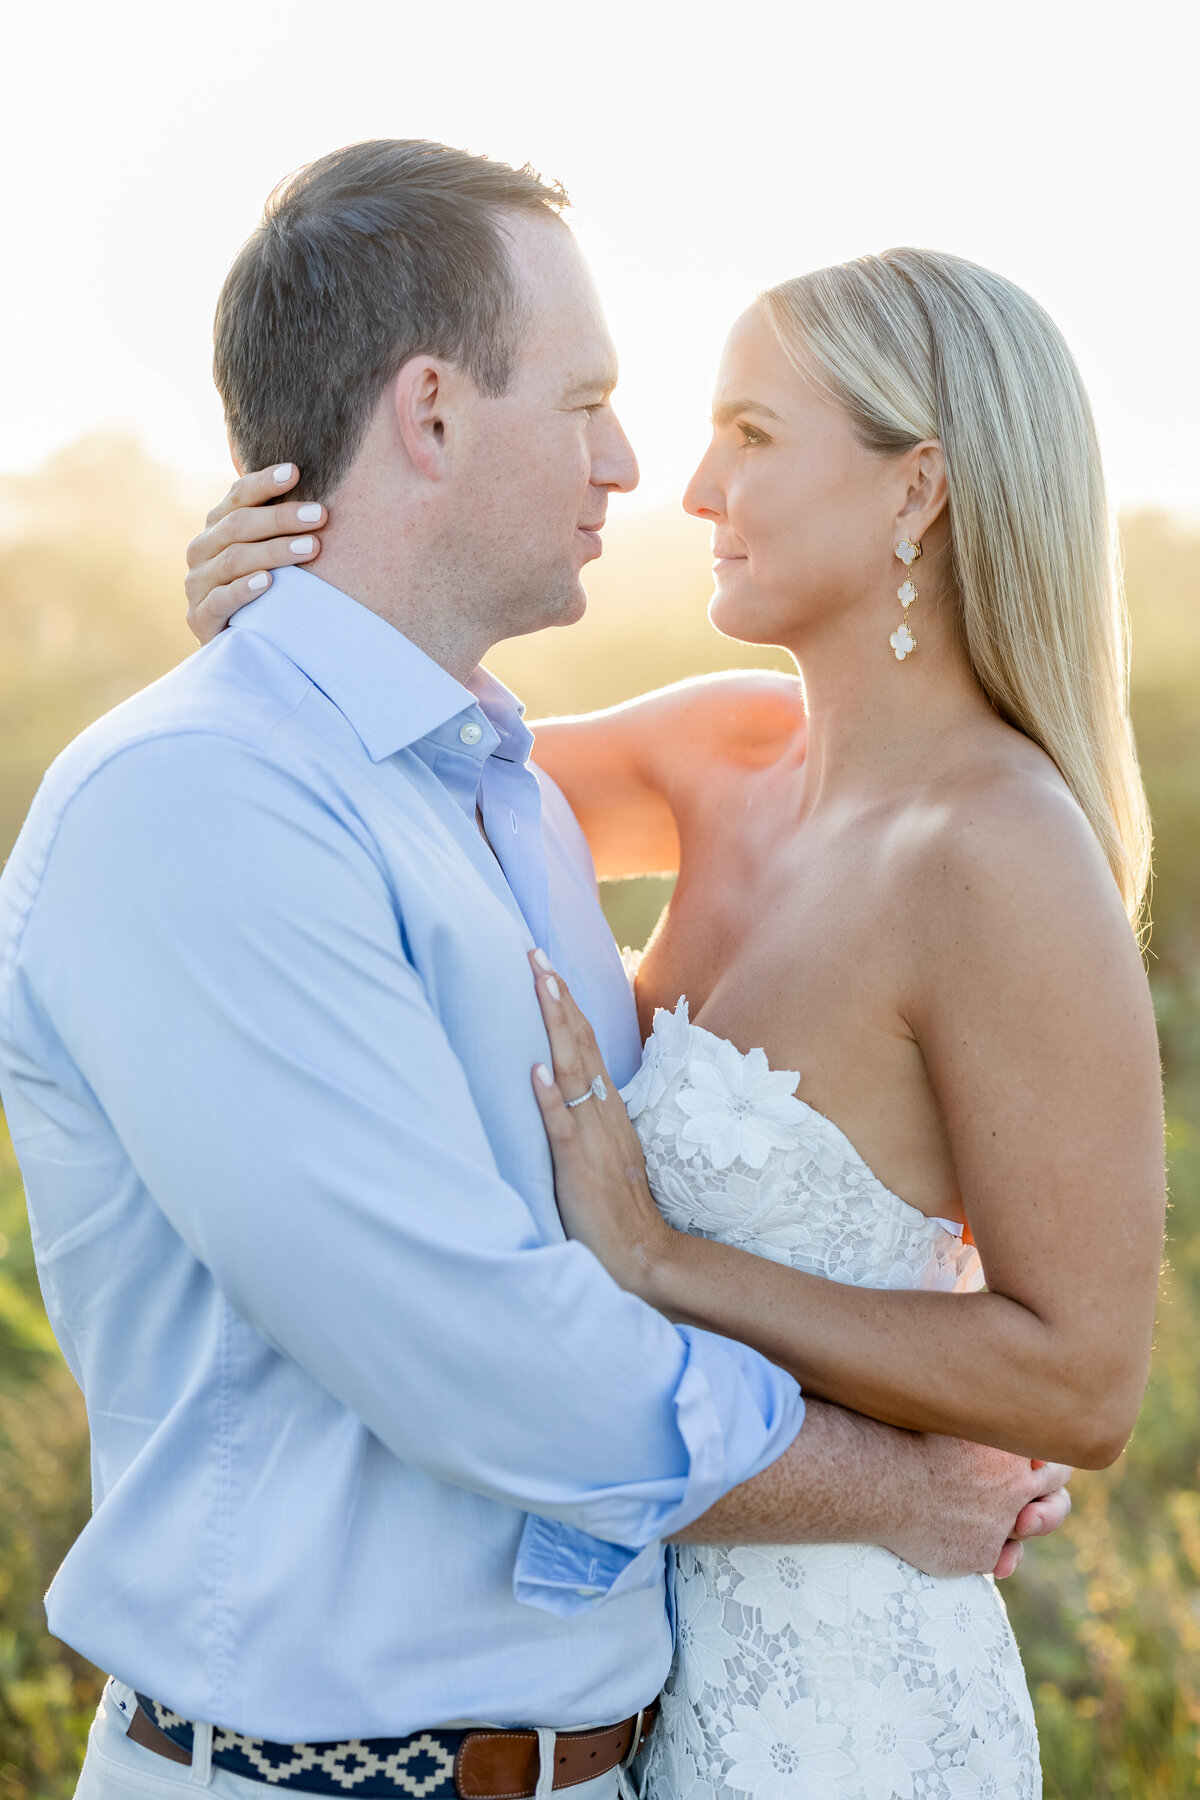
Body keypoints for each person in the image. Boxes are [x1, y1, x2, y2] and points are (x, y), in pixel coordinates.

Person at [0, 141, 1070, 1800]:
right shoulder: (195, 802)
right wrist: (894, 1487)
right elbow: (479, 1354)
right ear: (430, 413)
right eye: (586, 402)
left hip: (632, 1763)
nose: (640, 466)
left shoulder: (499, 792)